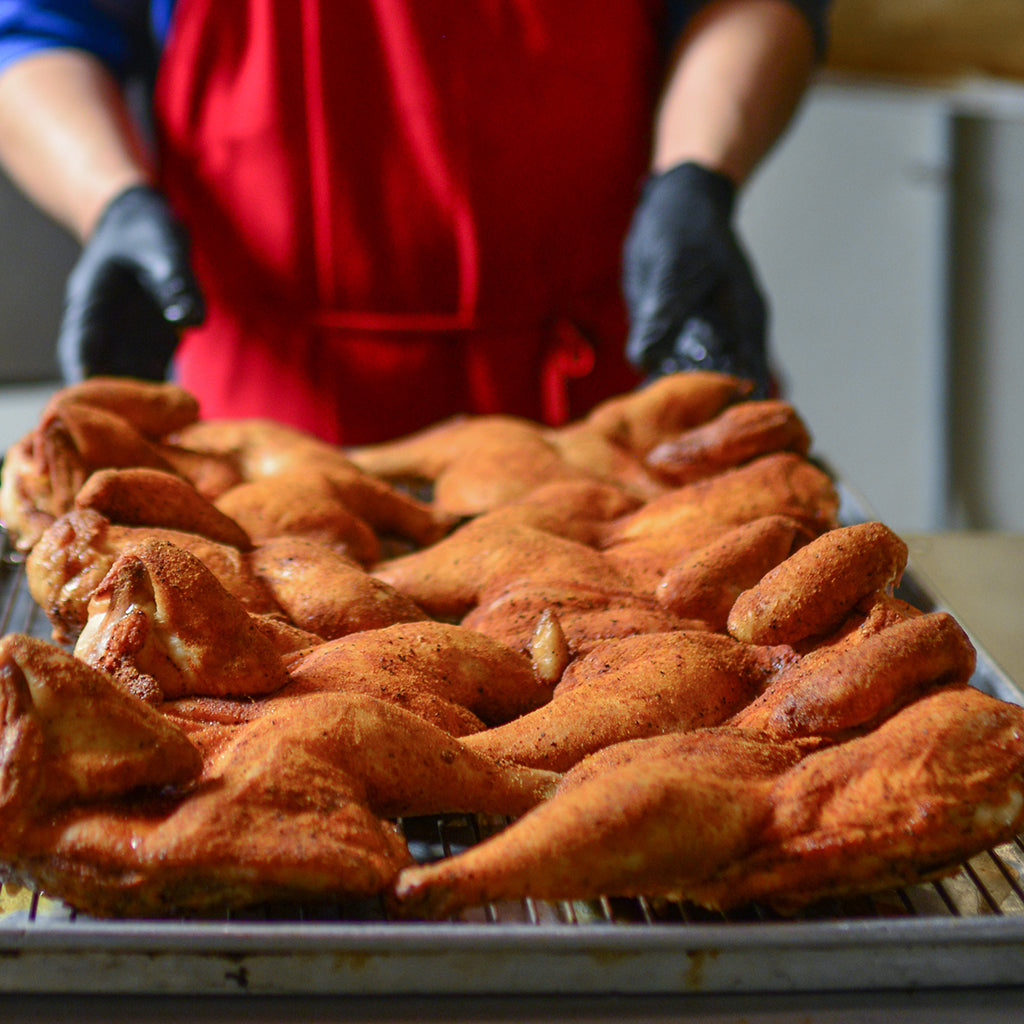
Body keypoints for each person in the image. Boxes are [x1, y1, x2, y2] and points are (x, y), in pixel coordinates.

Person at [0, 1, 830, 446]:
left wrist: (698, 175)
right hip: (263, 427)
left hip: (610, 399)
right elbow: (35, 25)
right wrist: (111, 198)